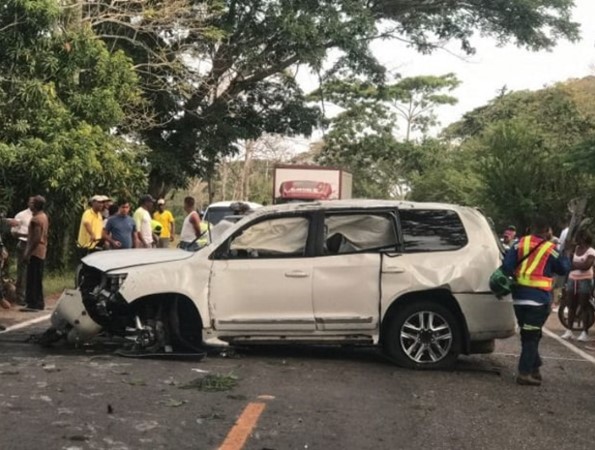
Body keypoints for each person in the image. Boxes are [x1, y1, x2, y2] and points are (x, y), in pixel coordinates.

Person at [502, 216, 570, 386]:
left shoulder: (519, 243)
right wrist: (566, 254)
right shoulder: (550, 248)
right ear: (547, 231)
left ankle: (535, 367)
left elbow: (507, 267)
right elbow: (563, 269)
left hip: (519, 299)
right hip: (538, 301)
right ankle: (524, 373)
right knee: (531, 337)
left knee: (529, 334)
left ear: (532, 229)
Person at [561, 229, 595, 342]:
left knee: (584, 306)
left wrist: (574, 265)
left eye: (579, 237)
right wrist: (578, 265)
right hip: (572, 280)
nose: (577, 240)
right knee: (571, 305)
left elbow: (586, 266)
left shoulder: (591, 251)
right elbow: (569, 264)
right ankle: (569, 330)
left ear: (584, 238)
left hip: (585, 280)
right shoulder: (575, 249)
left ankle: (584, 332)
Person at [21, 195, 49, 312]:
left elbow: (36, 237)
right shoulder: (44, 216)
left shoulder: (36, 219)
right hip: (41, 250)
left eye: (32, 203)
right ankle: (38, 302)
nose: (30, 205)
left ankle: (33, 303)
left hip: (35, 251)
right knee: (37, 277)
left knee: (32, 277)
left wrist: (27, 252)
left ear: (36, 205)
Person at [7, 197, 33, 306]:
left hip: (35, 245)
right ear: (28, 203)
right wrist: (27, 235)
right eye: (31, 202)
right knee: (23, 271)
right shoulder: (21, 215)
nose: (33, 204)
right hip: (24, 243)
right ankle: (20, 297)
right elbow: (13, 232)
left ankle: (30, 295)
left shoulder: (39, 215)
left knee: (33, 271)